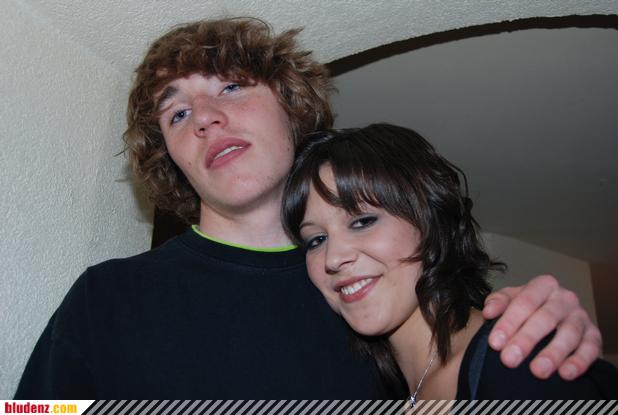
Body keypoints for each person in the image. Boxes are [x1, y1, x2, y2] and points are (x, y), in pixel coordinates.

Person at [15, 18, 601, 398]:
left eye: (231, 86)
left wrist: (537, 329)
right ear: (171, 155)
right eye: (177, 113)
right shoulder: (106, 297)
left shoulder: (370, 293)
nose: (206, 118)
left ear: (292, 108)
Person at [282, 123, 617, 400]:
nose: (334, 258)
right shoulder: (370, 391)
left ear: (430, 223)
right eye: (316, 240)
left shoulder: (521, 366)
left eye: (363, 221)